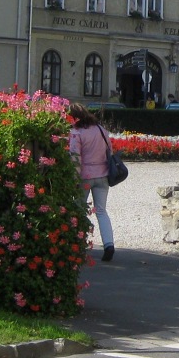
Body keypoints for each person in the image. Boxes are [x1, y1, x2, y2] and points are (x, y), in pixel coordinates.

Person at [68, 105, 115, 261]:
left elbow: (75, 159)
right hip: (103, 175)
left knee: (79, 211)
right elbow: (110, 151)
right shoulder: (100, 129)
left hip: (85, 176)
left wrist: (74, 180)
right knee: (101, 211)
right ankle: (109, 244)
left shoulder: (76, 133)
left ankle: (78, 245)